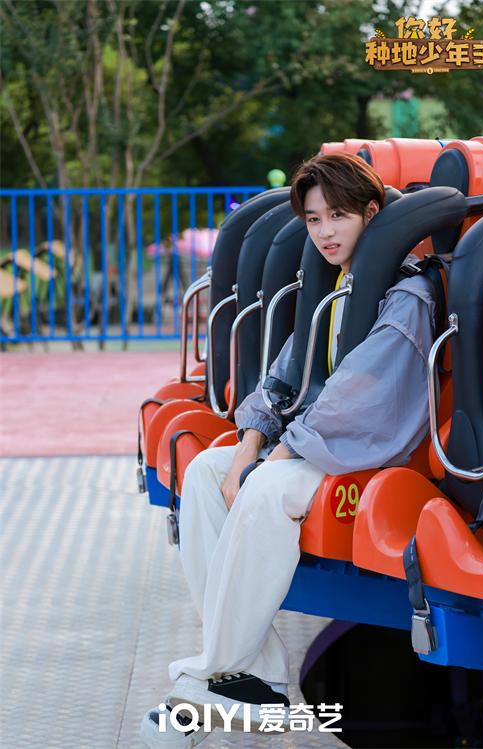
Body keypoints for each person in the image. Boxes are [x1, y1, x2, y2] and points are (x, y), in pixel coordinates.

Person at [140, 153, 437, 748]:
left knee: (269, 487)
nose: (325, 232)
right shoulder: (339, 287)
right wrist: (247, 448)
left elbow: (359, 401)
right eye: (314, 219)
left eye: (339, 216)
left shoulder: (406, 294)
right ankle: (255, 675)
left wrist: (270, 463)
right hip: (310, 444)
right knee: (205, 474)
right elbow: (282, 374)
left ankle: (213, 671)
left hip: (366, 455)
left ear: (372, 213)